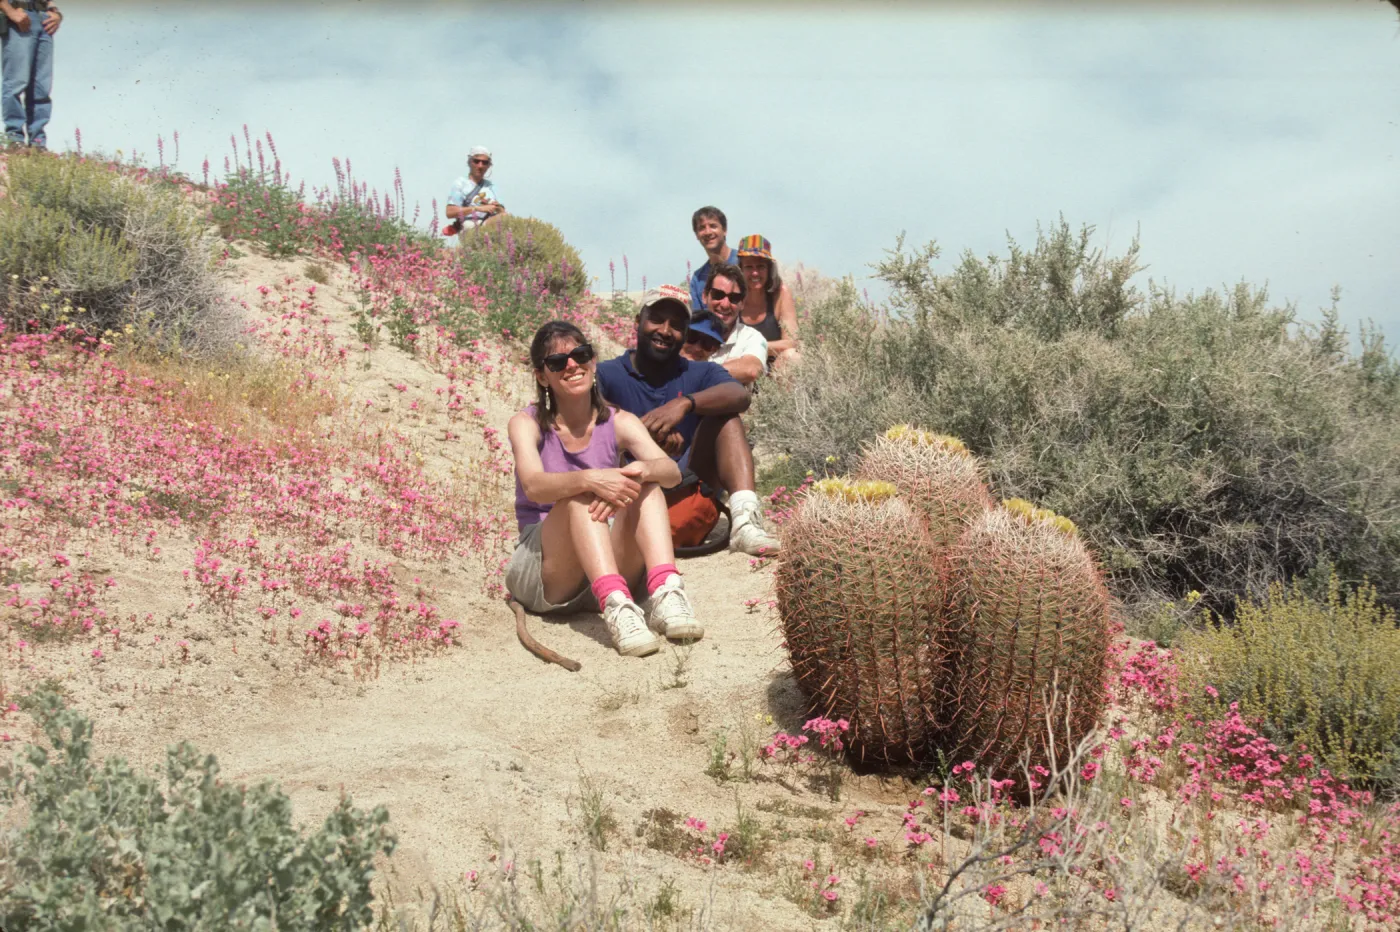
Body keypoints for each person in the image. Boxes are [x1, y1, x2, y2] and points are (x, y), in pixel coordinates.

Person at [507, 320, 703, 658]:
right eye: (557, 362)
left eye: (579, 354)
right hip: (548, 571)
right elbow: (534, 486)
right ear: (542, 376)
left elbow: (671, 472)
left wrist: (643, 470)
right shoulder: (527, 423)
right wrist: (591, 478)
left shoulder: (619, 421)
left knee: (647, 485)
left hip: (606, 563)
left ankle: (665, 592)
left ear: (592, 361)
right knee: (579, 496)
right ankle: (615, 607)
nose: (571, 365)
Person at [597, 285, 781, 556]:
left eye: (676, 325)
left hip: (687, 507)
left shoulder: (700, 371)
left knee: (726, 418)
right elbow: (586, 418)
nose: (665, 330)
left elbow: (738, 396)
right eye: (657, 319)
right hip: (627, 509)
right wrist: (644, 441)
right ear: (638, 322)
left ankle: (744, 522)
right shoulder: (607, 373)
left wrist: (684, 404)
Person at [1, 0, 62, 150]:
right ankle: (15, 139)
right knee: (16, 83)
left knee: (41, 87)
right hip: (19, 15)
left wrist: (56, 14)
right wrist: (9, 11)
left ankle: (38, 143)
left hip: (43, 18)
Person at [736, 235, 801, 368]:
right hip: (740, 369)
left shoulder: (781, 294)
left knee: (793, 356)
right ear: (740, 269)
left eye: (760, 267)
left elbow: (791, 342)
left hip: (774, 373)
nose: (755, 273)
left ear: (769, 268)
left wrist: (754, 347)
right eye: (749, 267)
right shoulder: (732, 296)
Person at [701, 264, 768, 387]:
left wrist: (698, 374)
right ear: (705, 296)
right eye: (718, 295)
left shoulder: (751, 337)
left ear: (742, 303)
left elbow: (752, 370)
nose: (725, 304)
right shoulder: (688, 333)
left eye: (734, 298)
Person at [444, 146, 505, 237]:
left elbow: (502, 211)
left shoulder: (491, 187)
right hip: (469, 225)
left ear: (488, 166)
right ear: (470, 162)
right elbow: (450, 212)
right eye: (476, 161)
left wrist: (495, 207)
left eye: (484, 163)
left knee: (506, 218)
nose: (480, 166)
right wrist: (476, 208)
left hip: (489, 224)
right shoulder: (460, 184)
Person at [688, 206, 738, 312]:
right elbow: (699, 319)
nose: (708, 232)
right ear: (697, 235)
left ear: (724, 230)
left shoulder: (745, 262)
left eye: (713, 226)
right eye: (702, 228)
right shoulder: (698, 279)